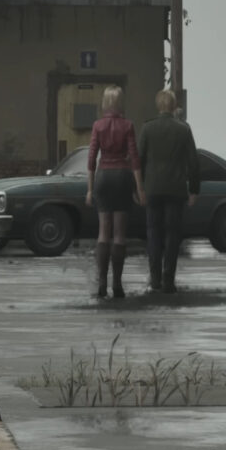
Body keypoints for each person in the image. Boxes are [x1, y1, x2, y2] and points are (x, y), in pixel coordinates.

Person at [85, 86, 145, 298]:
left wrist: (90, 189)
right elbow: (135, 158)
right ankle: (117, 284)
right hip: (122, 176)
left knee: (104, 231)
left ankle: (102, 282)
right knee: (119, 233)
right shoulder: (128, 125)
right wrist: (139, 188)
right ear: (120, 103)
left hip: (103, 177)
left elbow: (91, 159)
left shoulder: (97, 126)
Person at [138, 89, 199, 293]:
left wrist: (137, 188)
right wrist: (194, 189)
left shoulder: (147, 129)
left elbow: (139, 161)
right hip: (176, 189)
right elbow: (193, 162)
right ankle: (168, 280)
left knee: (153, 233)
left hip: (153, 189)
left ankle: (155, 279)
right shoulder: (183, 130)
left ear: (158, 106)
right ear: (174, 107)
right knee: (173, 234)